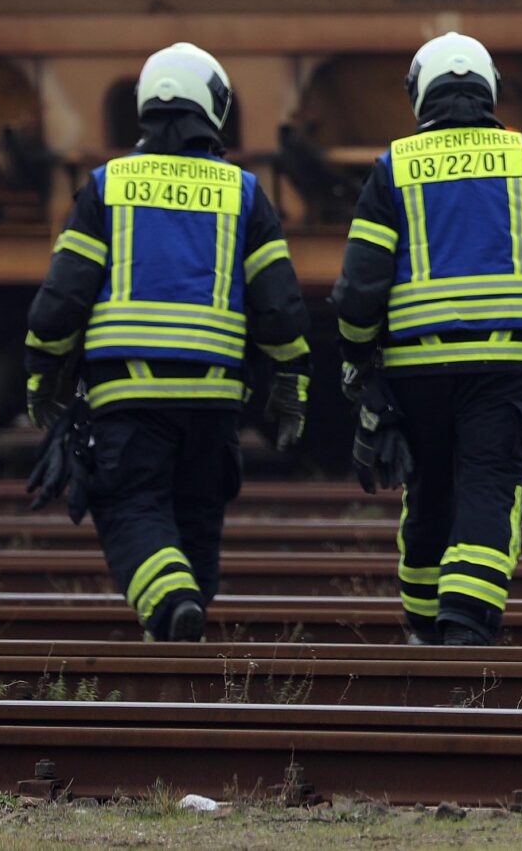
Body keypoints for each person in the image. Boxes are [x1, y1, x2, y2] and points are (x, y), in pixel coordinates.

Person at [24, 43, 311, 642]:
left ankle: (173, 602)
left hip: (128, 396)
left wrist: (43, 375)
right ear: (214, 107)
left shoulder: (107, 187)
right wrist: (289, 383)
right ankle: (184, 636)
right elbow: (280, 306)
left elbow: (63, 298)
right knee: (198, 517)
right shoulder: (245, 193)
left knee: (131, 506)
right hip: (213, 403)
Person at [331, 32, 522, 646]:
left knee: (427, 486)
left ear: (418, 93)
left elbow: (359, 286)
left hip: (416, 368)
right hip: (502, 365)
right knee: (488, 481)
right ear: (490, 92)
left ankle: (425, 625)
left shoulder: (393, 166)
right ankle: (466, 619)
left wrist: (357, 355)